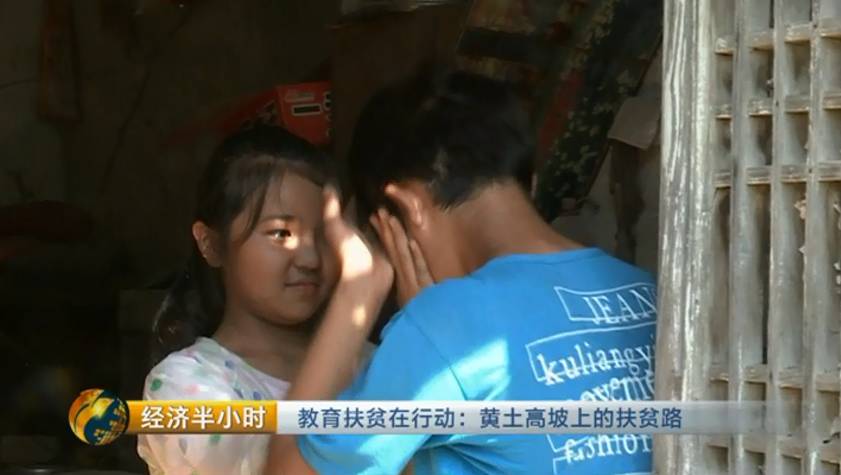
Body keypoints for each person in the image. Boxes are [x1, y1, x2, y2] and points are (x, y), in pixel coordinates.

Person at [265, 68, 657, 475]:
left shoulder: (442, 325)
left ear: (409, 206)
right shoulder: (646, 290)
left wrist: (360, 288)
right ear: (529, 182)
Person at [138, 125, 355, 475]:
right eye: (281, 233)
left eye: (326, 234)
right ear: (211, 243)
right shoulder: (185, 386)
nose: (311, 258)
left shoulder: (372, 361)